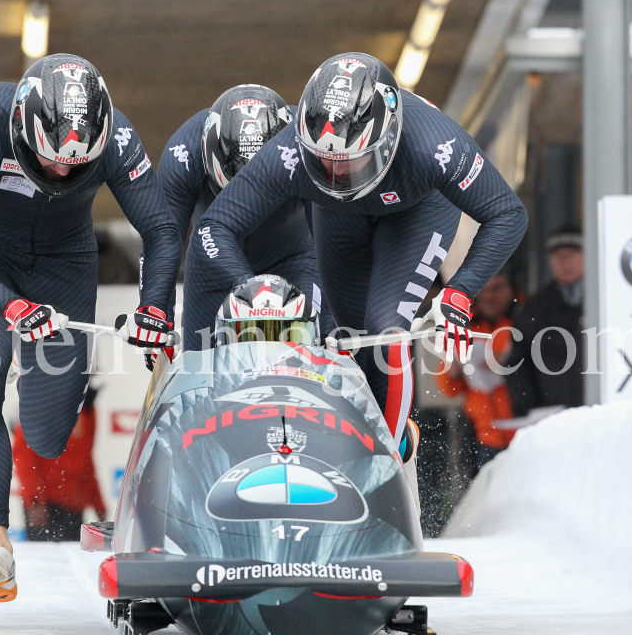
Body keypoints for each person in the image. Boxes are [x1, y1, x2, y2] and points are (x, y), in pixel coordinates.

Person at [195, 52, 527, 467]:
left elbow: (508, 213)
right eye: (325, 163)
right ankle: (337, 453)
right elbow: (215, 227)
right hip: (338, 218)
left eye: (351, 162)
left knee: (385, 328)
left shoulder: (434, 145)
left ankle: (389, 454)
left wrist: (460, 291)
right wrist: (252, 290)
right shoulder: (291, 154)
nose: (338, 176)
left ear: (386, 139)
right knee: (345, 338)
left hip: (417, 212)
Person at [0, 53, 181, 602]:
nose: (63, 172)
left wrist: (156, 307)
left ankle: (38, 383)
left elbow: (161, 228)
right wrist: (10, 305)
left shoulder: (118, 138)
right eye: (50, 161)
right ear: (23, 125)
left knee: (46, 438)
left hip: (63, 264)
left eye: (77, 164)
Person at [157, 84, 332, 358]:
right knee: (199, 365)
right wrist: (158, 313)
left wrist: (333, 325)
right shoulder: (183, 155)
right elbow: (164, 239)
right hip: (214, 263)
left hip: (293, 257)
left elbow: (328, 234)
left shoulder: (307, 143)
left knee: (317, 353)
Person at [435, 271, 517, 472]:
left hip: (523, 430)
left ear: (510, 289)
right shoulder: (465, 326)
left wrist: (507, 362)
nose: (490, 296)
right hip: (484, 434)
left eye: (497, 288)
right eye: (485, 290)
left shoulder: (525, 319)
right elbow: (448, 389)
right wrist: (452, 371)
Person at [506, 230, 585, 414]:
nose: (564, 262)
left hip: (603, 411)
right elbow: (517, 363)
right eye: (558, 257)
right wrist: (528, 410)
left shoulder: (605, 300)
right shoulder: (534, 307)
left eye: (570, 255)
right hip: (552, 417)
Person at [13, 393, 105, 542]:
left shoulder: (87, 408)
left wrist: (98, 505)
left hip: (74, 506)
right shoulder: (42, 401)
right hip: (46, 507)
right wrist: (36, 501)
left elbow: (86, 461)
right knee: (44, 560)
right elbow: (25, 457)